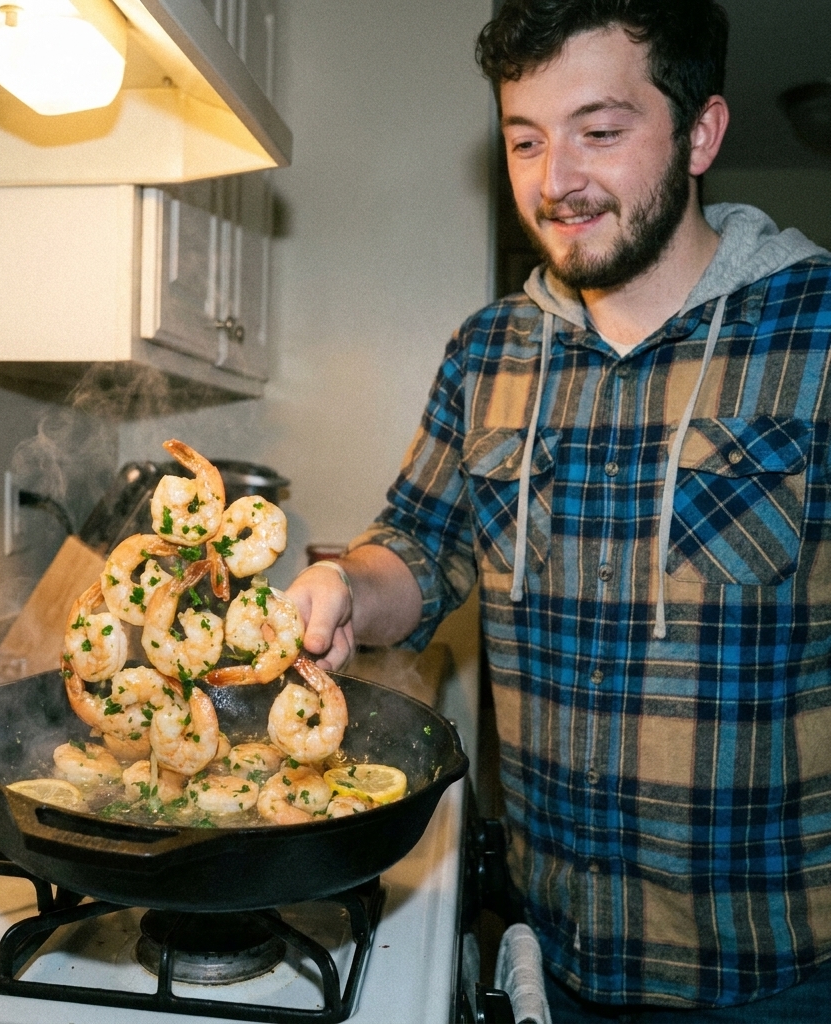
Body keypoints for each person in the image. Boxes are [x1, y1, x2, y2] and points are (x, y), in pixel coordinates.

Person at [286, 1, 831, 1019]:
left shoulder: (817, 329)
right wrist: (344, 588)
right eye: (526, 139)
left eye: (600, 131)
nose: (554, 180)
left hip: (771, 969)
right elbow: (422, 543)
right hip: (551, 953)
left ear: (701, 133)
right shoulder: (488, 348)